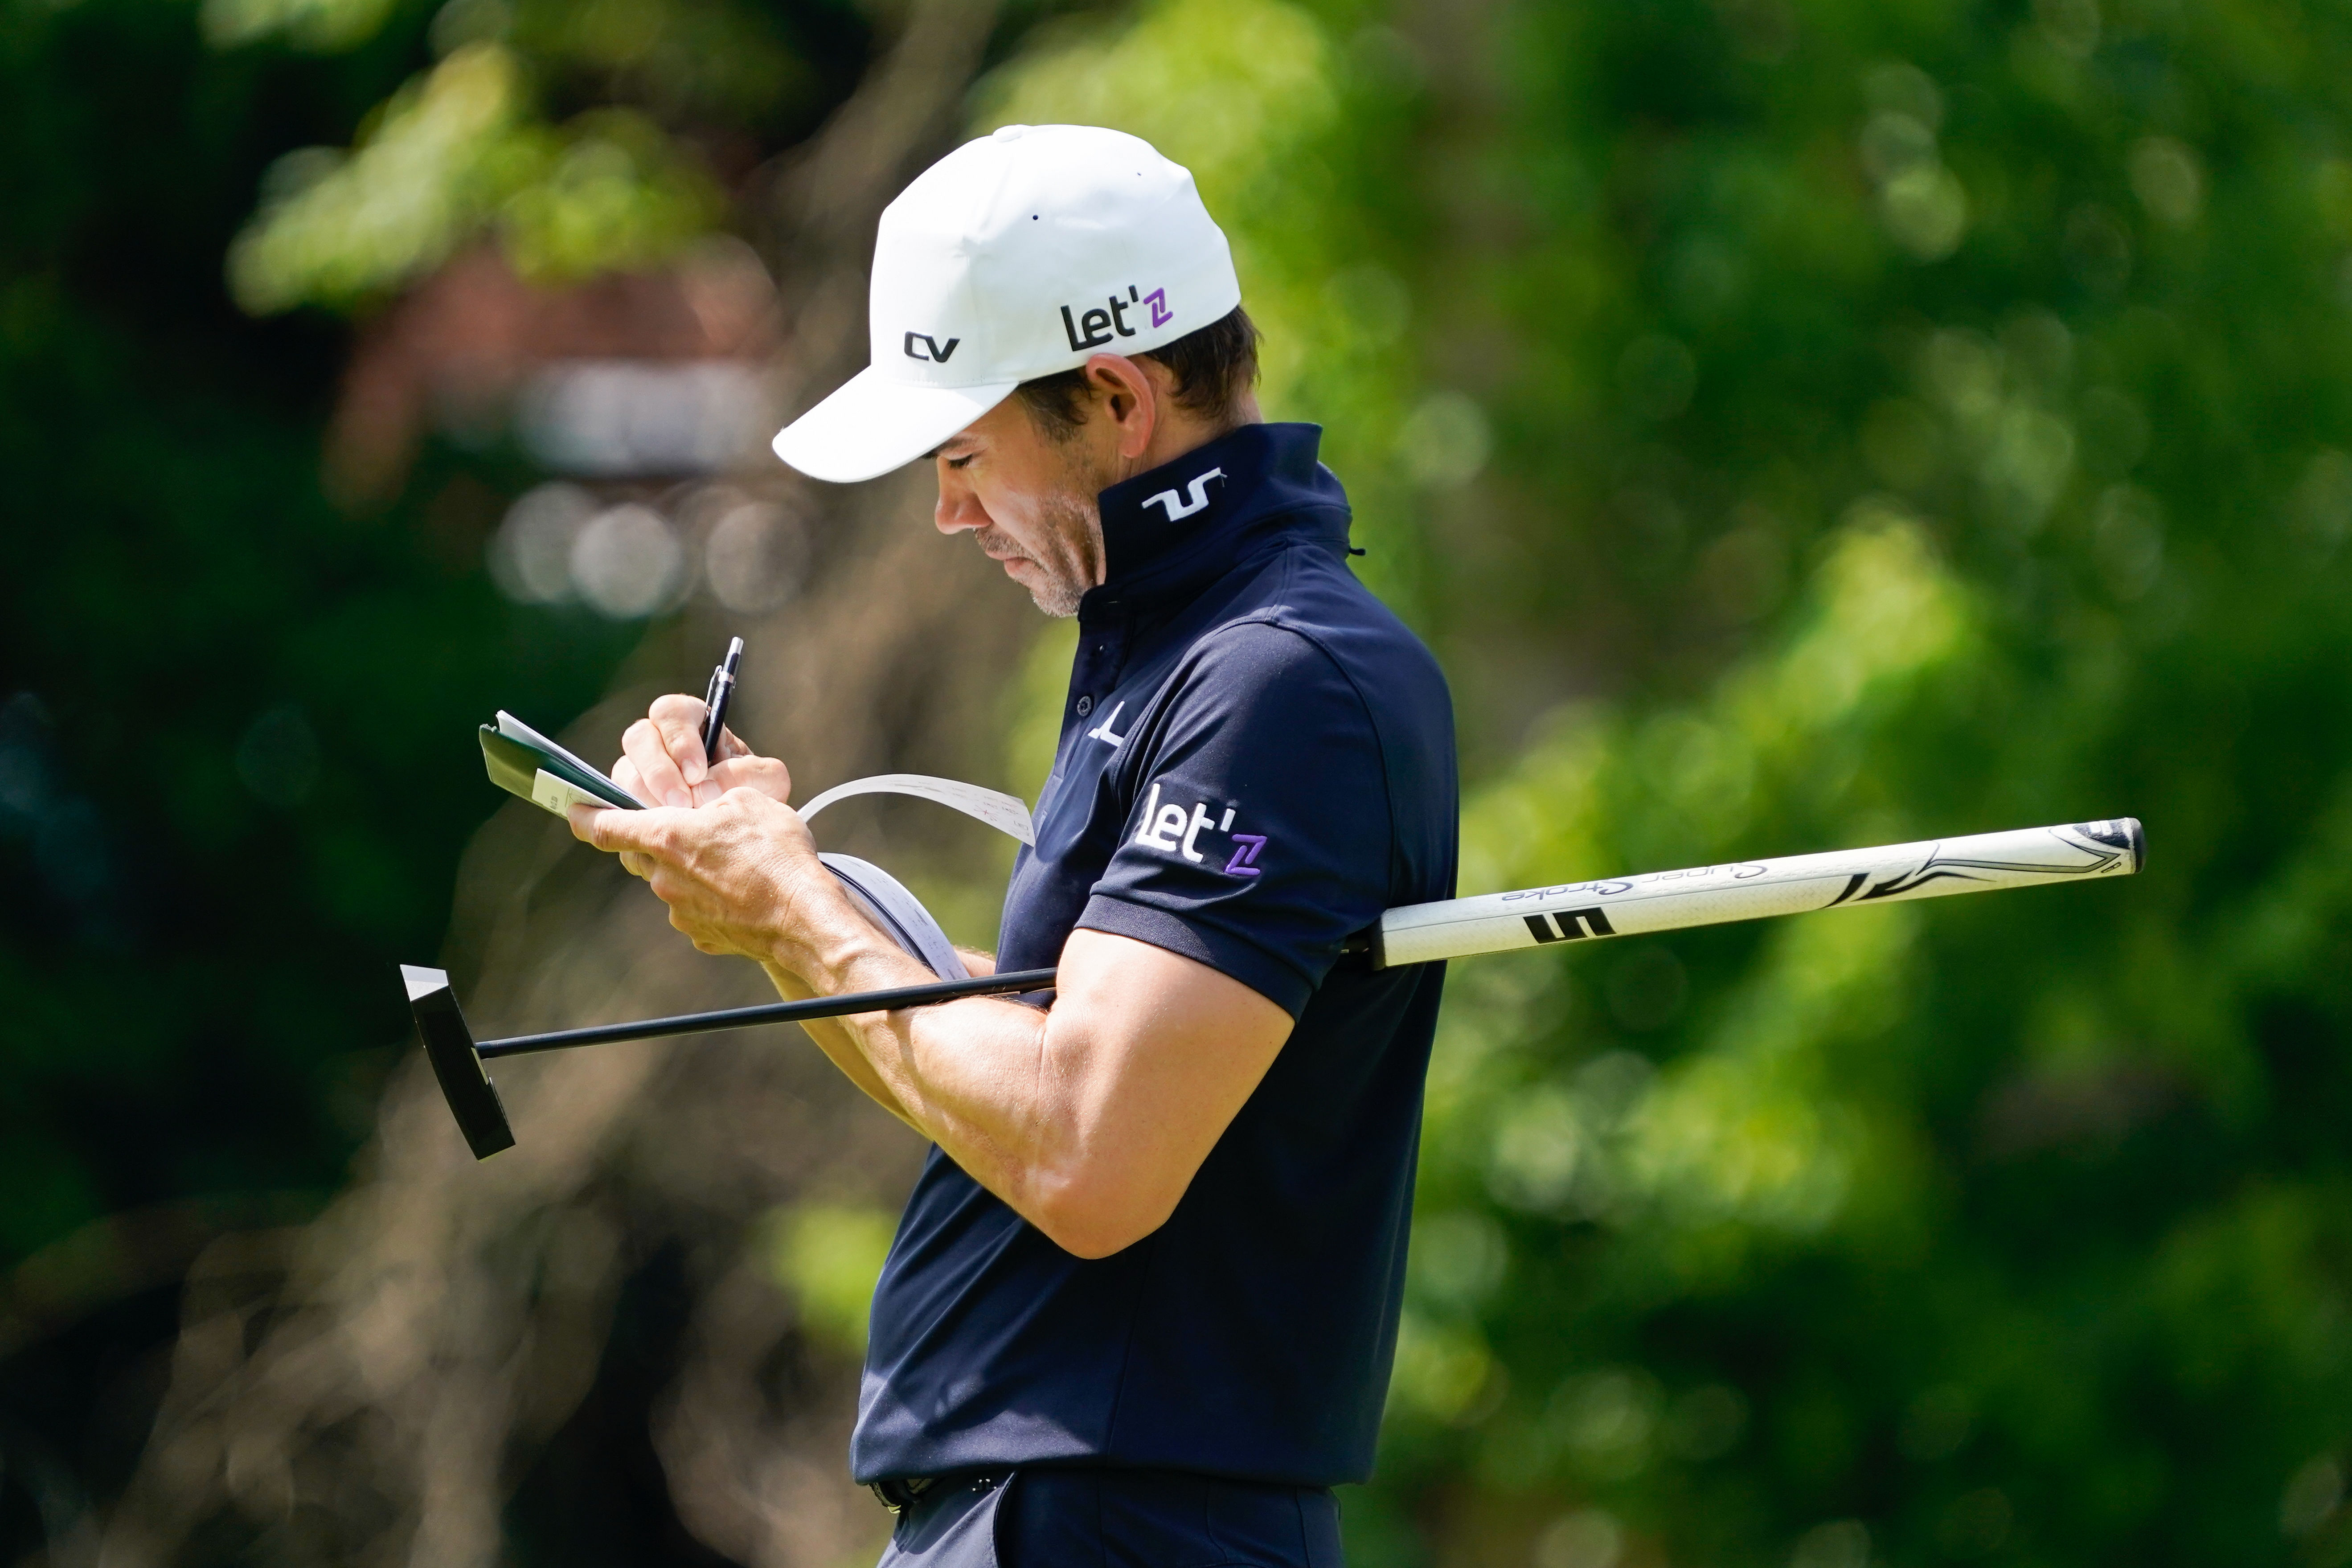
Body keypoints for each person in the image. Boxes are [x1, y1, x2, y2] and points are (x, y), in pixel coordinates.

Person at [571, 124, 1458, 1568]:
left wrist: (800, 911)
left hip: (1127, 1518)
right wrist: (781, 890)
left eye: (967, 452)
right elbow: (1060, 1050)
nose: (946, 510)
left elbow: (1087, 1152)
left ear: (1112, 399)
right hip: (1064, 1511)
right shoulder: (1176, 647)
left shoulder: (1281, 676)